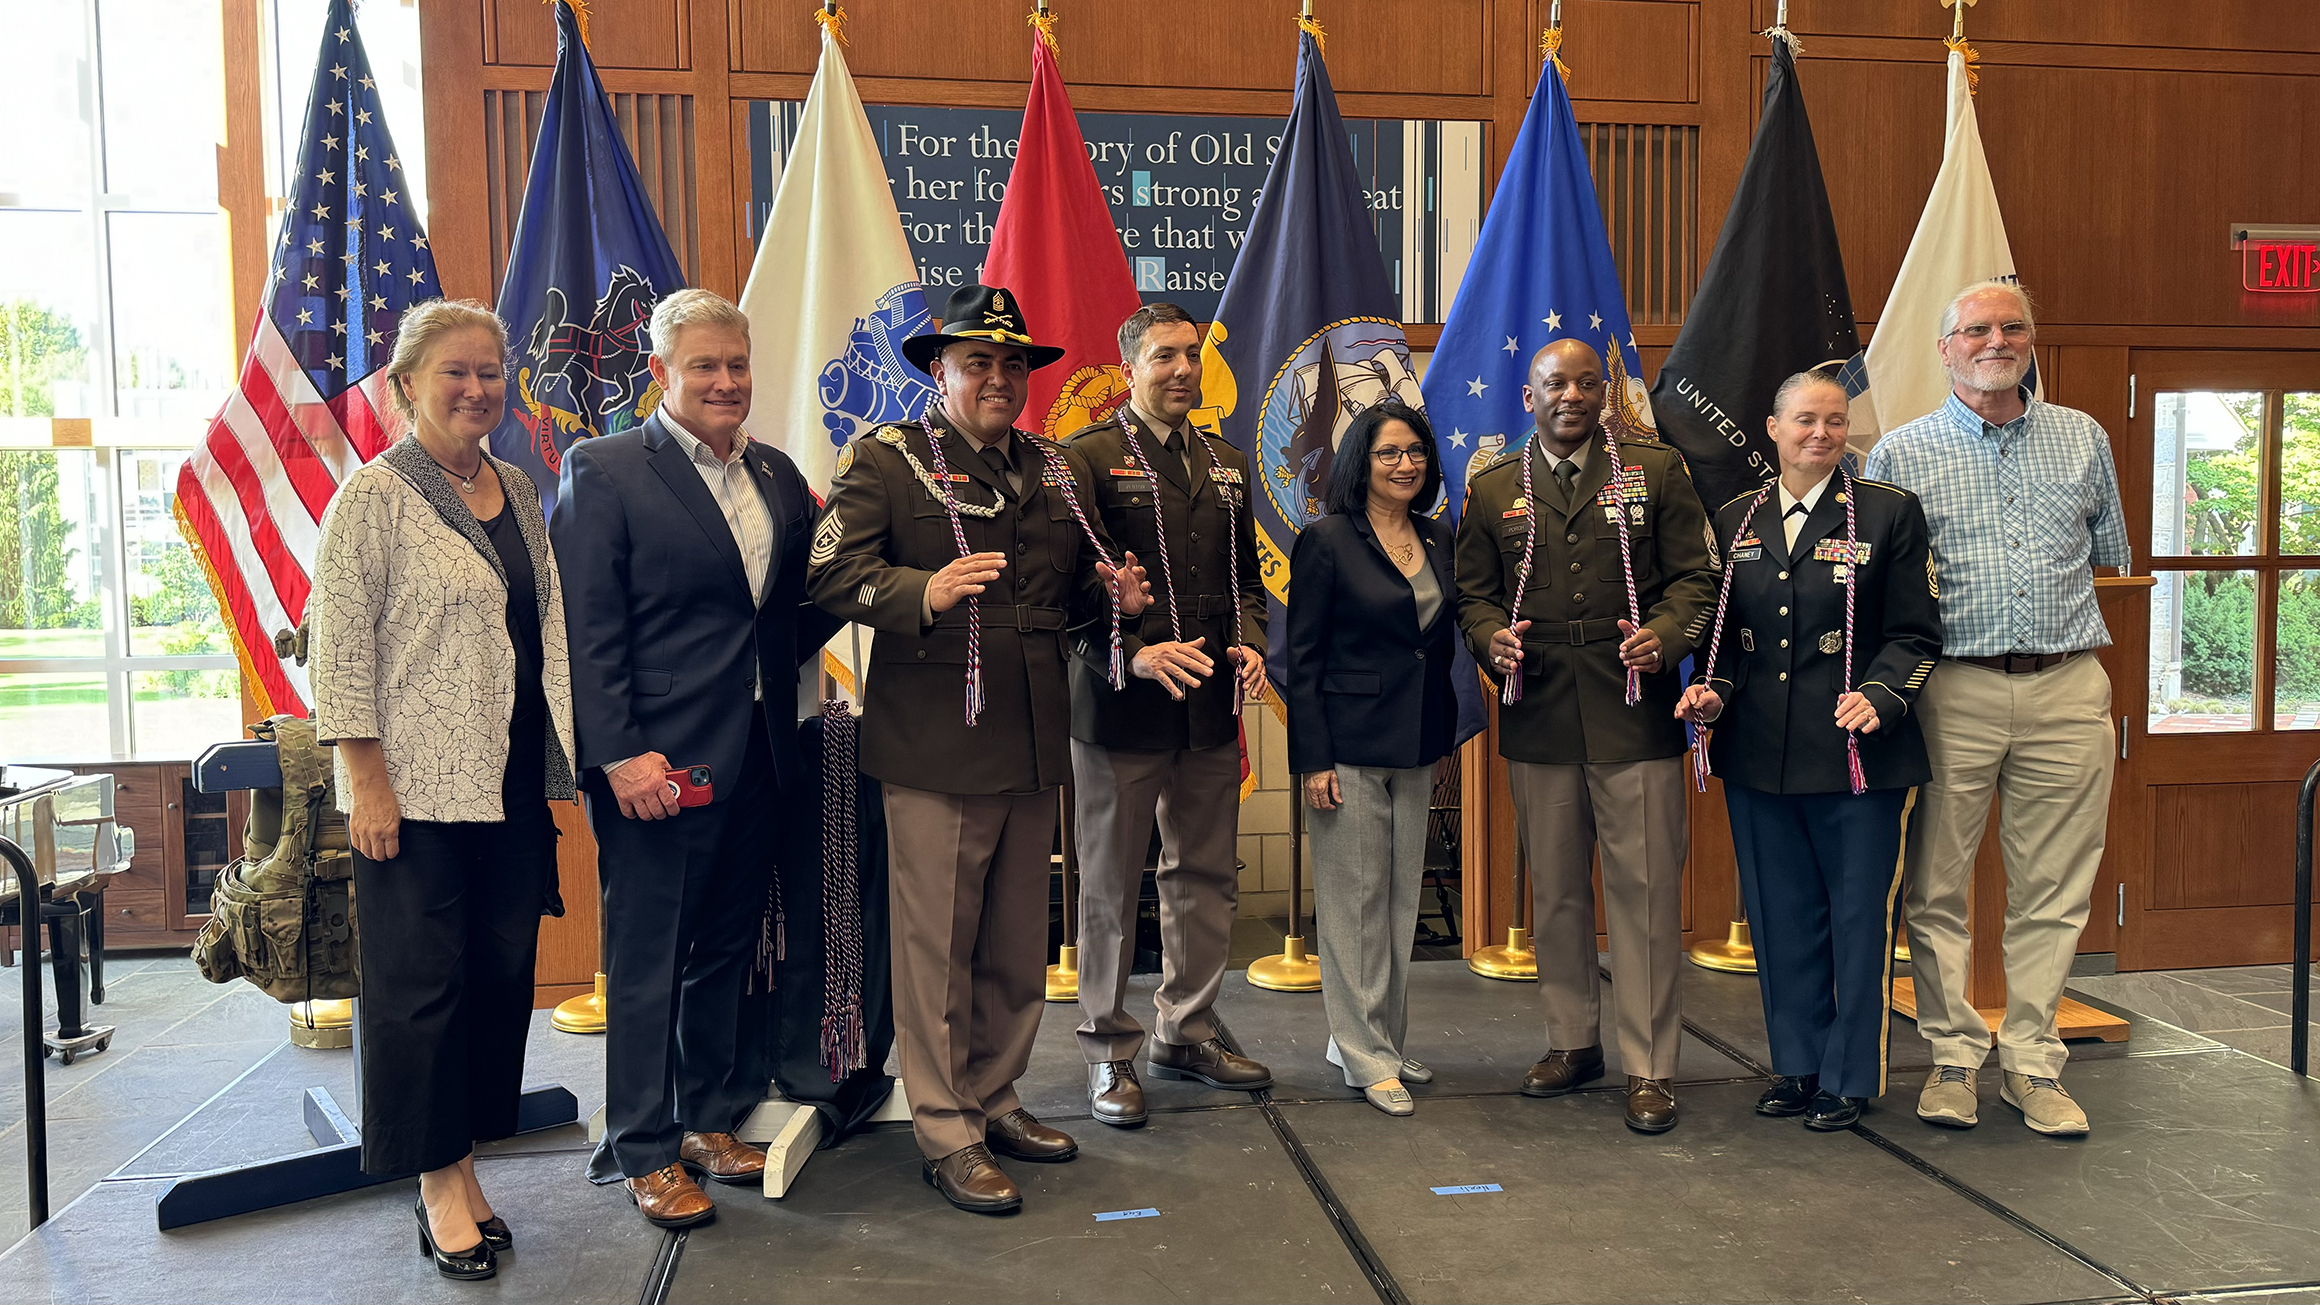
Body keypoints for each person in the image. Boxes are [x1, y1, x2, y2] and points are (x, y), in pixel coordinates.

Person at [807, 283, 1150, 1214]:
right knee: (937, 945)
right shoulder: (887, 460)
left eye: (1012, 363)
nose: (998, 378)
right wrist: (925, 587)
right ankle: (946, 1126)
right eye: (977, 362)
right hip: (936, 739)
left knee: (1012, 941)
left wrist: (1114, 600)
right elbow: (830, 571)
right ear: (939, 371)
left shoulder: (1055, 466)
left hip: (1036, 729)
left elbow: (1071, 596)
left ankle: (997, 1097)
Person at [553, 288, 844, 1226]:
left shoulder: (775, 472)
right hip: (656, 768)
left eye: (738, 364)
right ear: (660, 373)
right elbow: (585, 632)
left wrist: (894, 581)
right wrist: (618, 755)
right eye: (704, 366)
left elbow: (786, 615)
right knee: (647, 959)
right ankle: (641, 1147)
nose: (726, 382)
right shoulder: (603, 469)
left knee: (722, 948)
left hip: (757, 757)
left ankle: (706, 1119)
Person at [310, 299, 575, 1282]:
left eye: (489, 374)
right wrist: (365, 783)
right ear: (407, 385)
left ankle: (464, 1156)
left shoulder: (516, 486)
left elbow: (539, 629)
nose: (475, 390)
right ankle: (436, 1181)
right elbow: (339, 660)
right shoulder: (371, 500)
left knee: (497, 981)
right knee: (419, 993)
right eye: (454, 373)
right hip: (410, 794)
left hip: (506, 785)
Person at [1864, 281, 2130, 1137]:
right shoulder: (1900, 454)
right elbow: (1876, 589)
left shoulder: (2084, 437)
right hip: (1953, 690)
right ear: (1943, 349)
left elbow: (2112, 557)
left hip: (2067, 684)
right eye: (1974, 329)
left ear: (2031, 341)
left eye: (2011, 327)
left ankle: (2032, 1063)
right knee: (1938, 882)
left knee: (2054, 885)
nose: (1994, 340)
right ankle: (1950, 1058)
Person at [1455, 338, 1717, 1133]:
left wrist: (1668, 638)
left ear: (1604, 393)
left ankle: (1650, 1065)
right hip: (1538, 714)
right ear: (1527, 396)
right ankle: (1574, 1043)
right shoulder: (1495, 484)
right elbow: (1473, 593)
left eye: (1585, 382)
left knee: (1643, 896)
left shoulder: (1656, 471)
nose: (1571, 394)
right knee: (1560, 894)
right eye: (1553, 383)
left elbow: (1697, 581)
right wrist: (1490, 637)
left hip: (1631, 710)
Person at [1675, 369, 1942, 1131]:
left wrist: (1883, 695)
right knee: (1780, 915)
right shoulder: (1735, 519)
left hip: (1859, 757)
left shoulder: (1888, 513)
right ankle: (1796, 1063)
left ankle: (1849, 1073)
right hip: (1762, 754)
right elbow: (1725, 642)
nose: (1820, 433)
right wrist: (1711, 691)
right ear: (1773, 427)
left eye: (1834, 421)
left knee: (1858, 918)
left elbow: (1917, 633)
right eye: (1804, 420)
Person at [1060, 303, 1272, 1128]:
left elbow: (1246, 582)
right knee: (1110, 886)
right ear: (1129, 367)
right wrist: (1134, 649)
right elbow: (1068, 589)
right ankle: (1110, 1055)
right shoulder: (1085, 459)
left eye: (1191, 356)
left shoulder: (1226, 461)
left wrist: (1250, 642)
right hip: (1120, 709)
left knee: (1205, 876)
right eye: (1163, 357)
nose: (1181, 369)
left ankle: (1184, 1030)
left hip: (1210, 711)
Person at [1287, 402, 1460, 1117]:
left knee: (1396, 900)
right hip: (1347, 745)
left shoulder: (1436, 536)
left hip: (1417, 738)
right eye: (1389, 453)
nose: (1406, 464)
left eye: (1415, 452)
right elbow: (1301, 658)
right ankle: (1366, 1056)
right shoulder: (1326, 539)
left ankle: (1374, 1036)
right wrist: (1313, 759)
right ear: (1363, 460)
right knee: (1354, 904)